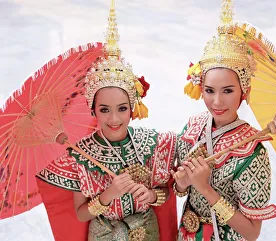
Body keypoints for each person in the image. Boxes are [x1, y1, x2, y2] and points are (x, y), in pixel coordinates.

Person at [36, 1, 177, 241]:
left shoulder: (153, 143)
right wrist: (108, 195)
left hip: (146, 232)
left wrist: (151, 196)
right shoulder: (80, 153)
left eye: (122, 109)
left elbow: (167, 192)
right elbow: (81, 214)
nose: (114, 119)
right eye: (104, 110)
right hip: (104, 234)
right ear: (93, 110)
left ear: (134, 107)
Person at [172, 1, 276, 241]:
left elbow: (252, 233)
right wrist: (181, 184)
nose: (217, 102)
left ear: (245, 90)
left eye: (228, 91)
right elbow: (180, 191)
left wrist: (205, 189)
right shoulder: (192, 128)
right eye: (209, 91)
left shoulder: (252, 150)